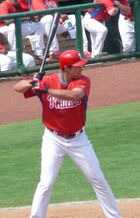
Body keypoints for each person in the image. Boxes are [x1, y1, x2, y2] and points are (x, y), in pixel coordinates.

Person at [14, 49, 122, 218]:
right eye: (78, 66)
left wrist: (46, 91)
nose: (82, 69)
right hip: (53, 139)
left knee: (98, 179)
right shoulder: (47, 80)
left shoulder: (83, 81)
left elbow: (75, 95)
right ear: (66, 68)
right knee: (46, 183)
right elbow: (17, 87)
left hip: (78, 140)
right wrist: (33, 82)